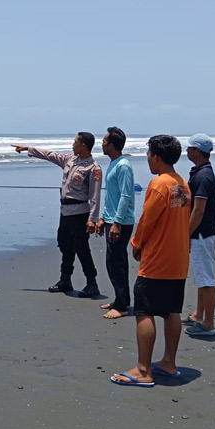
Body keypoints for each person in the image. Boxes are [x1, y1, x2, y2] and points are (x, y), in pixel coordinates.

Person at [111, 135, 191, 387]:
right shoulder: (182, 184)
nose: (147, 159)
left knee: (144, 311)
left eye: (148, 154)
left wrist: (136, 244)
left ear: (156, 157)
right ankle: (169, 362)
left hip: (157, 260)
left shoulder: (159, 184)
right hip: (178, 258)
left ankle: (143, 370)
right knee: (171, 310)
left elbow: (147, 221)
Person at [12, 133, 102, 297]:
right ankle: (65, 280)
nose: (72, 144)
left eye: (75, 142)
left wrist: (92, 219)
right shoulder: (70, 160)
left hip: (80, 213)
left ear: (84, 146)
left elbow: (95, 196)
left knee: (82, 249)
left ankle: (92, 283)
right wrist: (28, 148)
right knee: (65, 245)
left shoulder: (93, 168)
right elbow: (50, 155)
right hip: (65, 212)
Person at [94, 127, 135, 319]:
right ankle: (121, 299)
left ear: (111, 145)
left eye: (103, 140)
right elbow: (111, 196)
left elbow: (126, 195)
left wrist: (117, 222)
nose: (101, 143)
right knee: (113, 261)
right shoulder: (114, 163)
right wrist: (103, 217)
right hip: (111, 219)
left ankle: (122, 306)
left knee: (116, 262)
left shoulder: (123, 165)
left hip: (121, 221)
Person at [183, 134, 215, 337]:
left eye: (189, 148)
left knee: (206, 280)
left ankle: (208, 323)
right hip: (203, 234)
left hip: (202, 235)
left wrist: (186, 234)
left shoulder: (203, 175)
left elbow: (198, 210)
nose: (186, 151)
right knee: (201, 277)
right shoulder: (200, 172)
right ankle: (198, 314)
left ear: (197, 150)